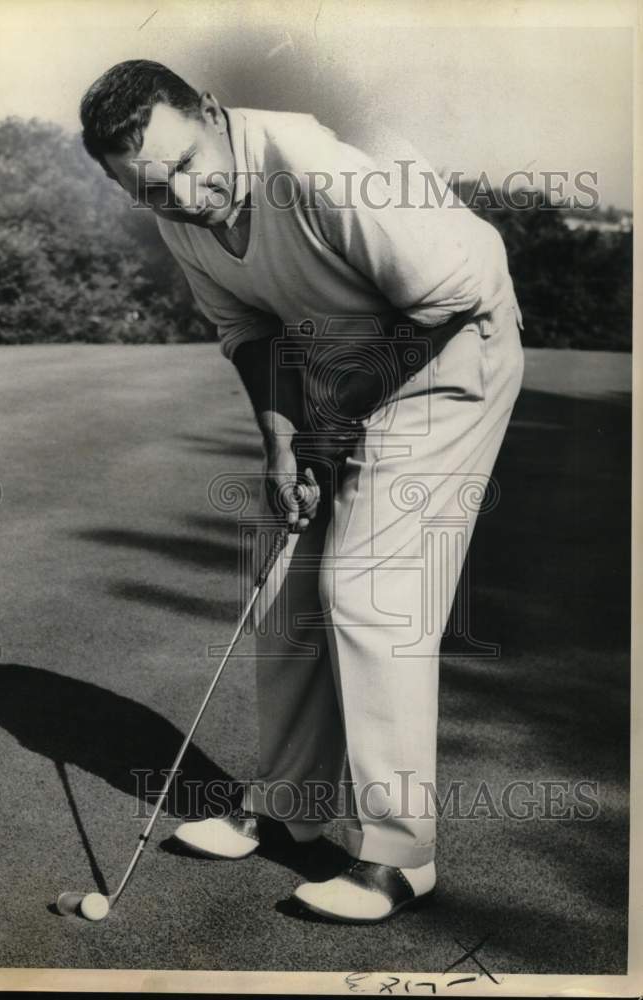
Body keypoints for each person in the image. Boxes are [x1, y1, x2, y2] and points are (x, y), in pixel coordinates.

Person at [79, 59, 525, 923]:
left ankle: (400, 852)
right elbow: (250, 332)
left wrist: (329, 429)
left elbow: (439, 309)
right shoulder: (179, 210)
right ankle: (289, 805)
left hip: (451, 346)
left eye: (185, 165)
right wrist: (284, 445)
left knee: (366, 589)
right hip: (341, 356)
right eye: (151, 189)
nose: (182, 194)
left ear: (212, 113)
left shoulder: (311, 169)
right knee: (284, 584)